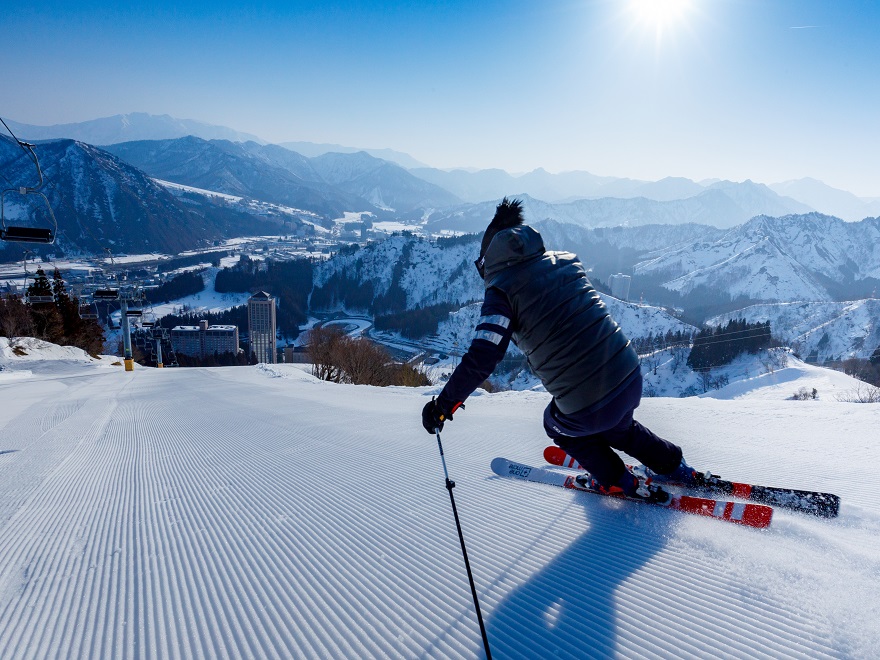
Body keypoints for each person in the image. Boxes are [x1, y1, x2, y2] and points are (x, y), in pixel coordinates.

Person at [421, 198, 699, 503]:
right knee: (617, 426)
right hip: (629, 375)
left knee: (556, 424)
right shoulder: (567, 260)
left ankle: (616, 481)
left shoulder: (501, 291)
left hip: (587, 403)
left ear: (488, 259)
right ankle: (674, 466)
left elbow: (485, 355)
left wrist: (443, 407)